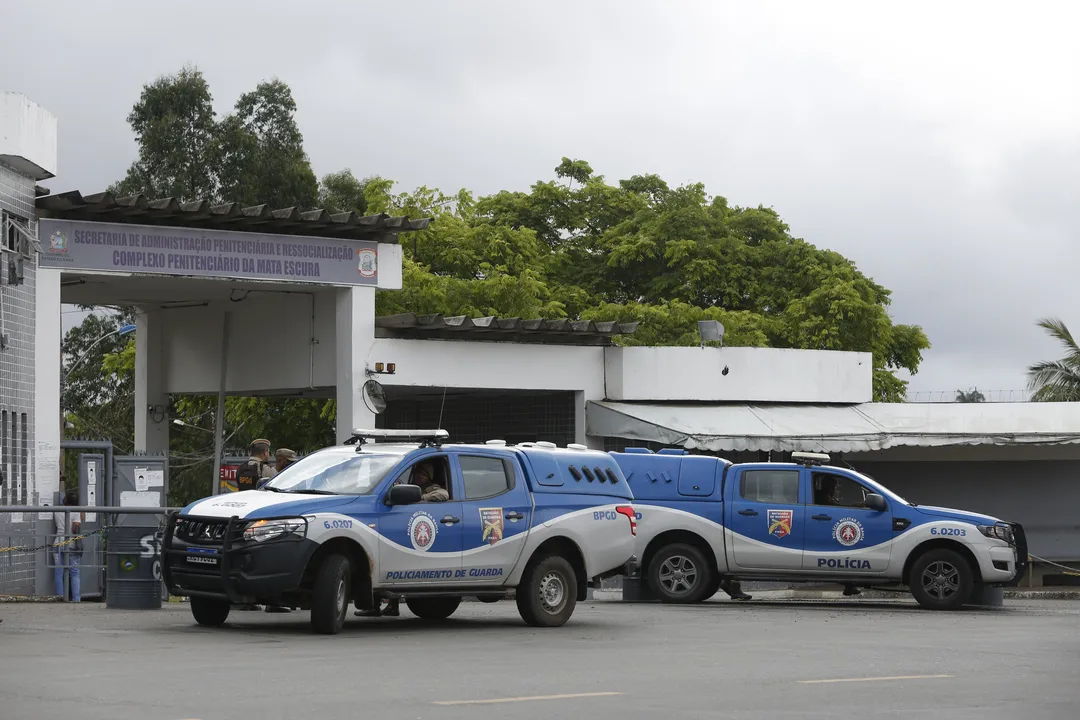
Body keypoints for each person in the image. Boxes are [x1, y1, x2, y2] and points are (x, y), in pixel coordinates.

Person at [357, 462, 448, 618]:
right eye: (418, 473)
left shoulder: (430, 488)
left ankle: (391, 606)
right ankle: (378, 606)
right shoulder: (407, 486)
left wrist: (422, 497)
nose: (419, 476)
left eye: (423, 474)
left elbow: (443, 494)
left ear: (429, 476)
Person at [53, 490, 83, 602]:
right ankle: (76, 599)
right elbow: (75, 528)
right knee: (74, 573)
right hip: (72, 545)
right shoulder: (76, 512)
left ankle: (60, 597)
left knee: (58, 572)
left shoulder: (57, 511)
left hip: (58, 543)